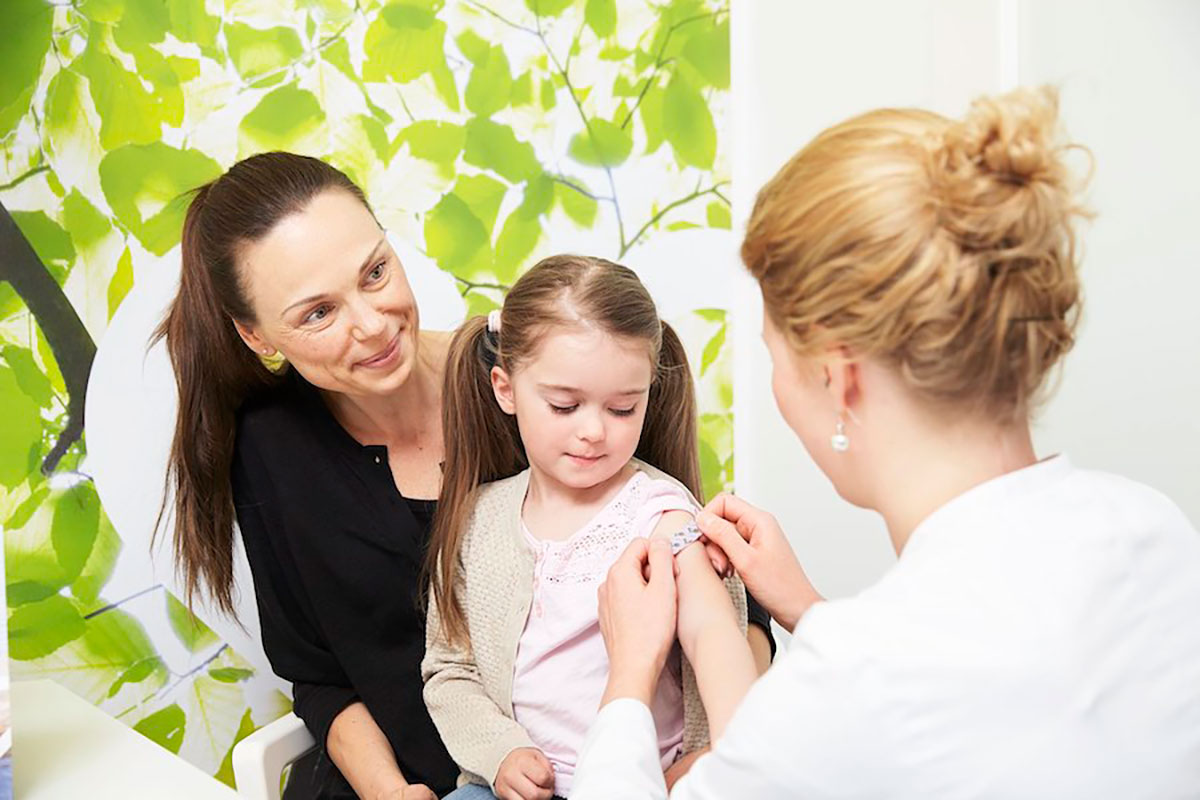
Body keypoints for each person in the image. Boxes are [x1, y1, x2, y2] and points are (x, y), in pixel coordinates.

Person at [571, 87, 1200, 798]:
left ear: (837, 377)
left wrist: (627, 676)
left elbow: (875, 704)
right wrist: (808, 610)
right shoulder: (1152, 529)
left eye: (773, 355)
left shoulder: (855, 682)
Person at [157, 152, 458, 799]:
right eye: (317, 313)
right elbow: (320, 676)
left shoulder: (521, 380)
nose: (373, 325)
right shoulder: (270, 450)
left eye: (375, 273)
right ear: (256, 335)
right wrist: (389, 792)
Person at [421, 256, 771, 800]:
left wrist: (739, 752)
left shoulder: (660, 514)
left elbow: (712, 634)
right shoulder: (478, 520)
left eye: (622, 409)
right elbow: (449, 672)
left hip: (643, 784)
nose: (593, 432)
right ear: (505, 388)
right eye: (564, 406)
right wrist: (500, 752)